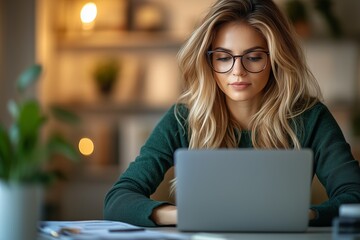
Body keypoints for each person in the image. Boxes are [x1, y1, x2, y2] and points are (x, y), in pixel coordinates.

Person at [104, 0, 360, 227]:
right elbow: (119, 199)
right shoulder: (183, 118)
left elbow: (354, 196)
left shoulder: (311, 118)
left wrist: (302, 216)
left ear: (275, 59)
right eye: (224, 58)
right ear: (209, 61)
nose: (238, 71)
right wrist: (185, 215)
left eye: (254, 57)